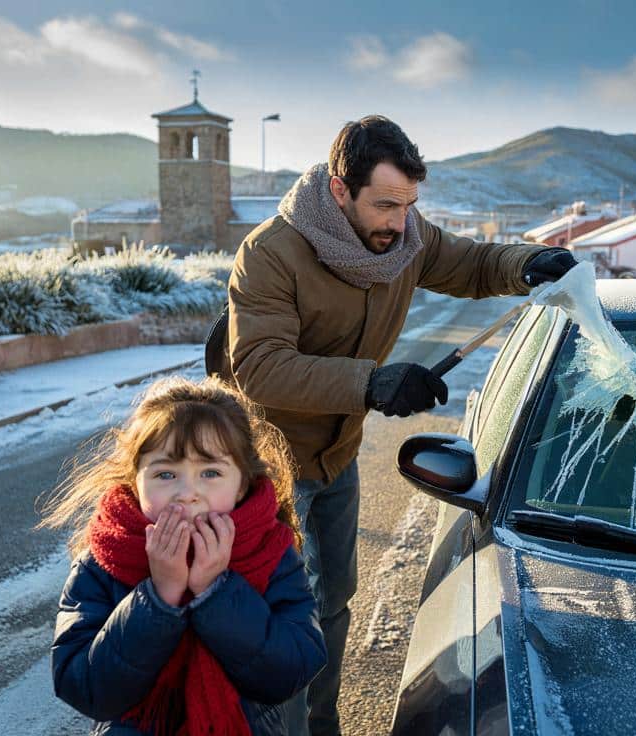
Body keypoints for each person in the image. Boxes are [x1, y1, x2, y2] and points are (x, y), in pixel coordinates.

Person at [211, 115, 576, 736]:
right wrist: (372, 382)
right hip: (267, 470)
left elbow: (474, 264)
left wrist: (529, 263)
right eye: (384, 204)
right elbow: (259, 367)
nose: (398, 222)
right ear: (338, 190)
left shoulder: (406, 238)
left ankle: (320, 727)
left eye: (408, 205)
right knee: (283, 619)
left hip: (338, 455)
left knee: (333, 607)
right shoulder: (271, 252)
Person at [41, 377, 327, 736]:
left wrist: (217, 592)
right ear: (135, 480)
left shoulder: (271, 552)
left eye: (210, 472)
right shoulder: (102, 559)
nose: (187, 493)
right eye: (165, 474)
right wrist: (159, 598)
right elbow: (84, 687)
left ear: (242, 483)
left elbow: (292, 670)